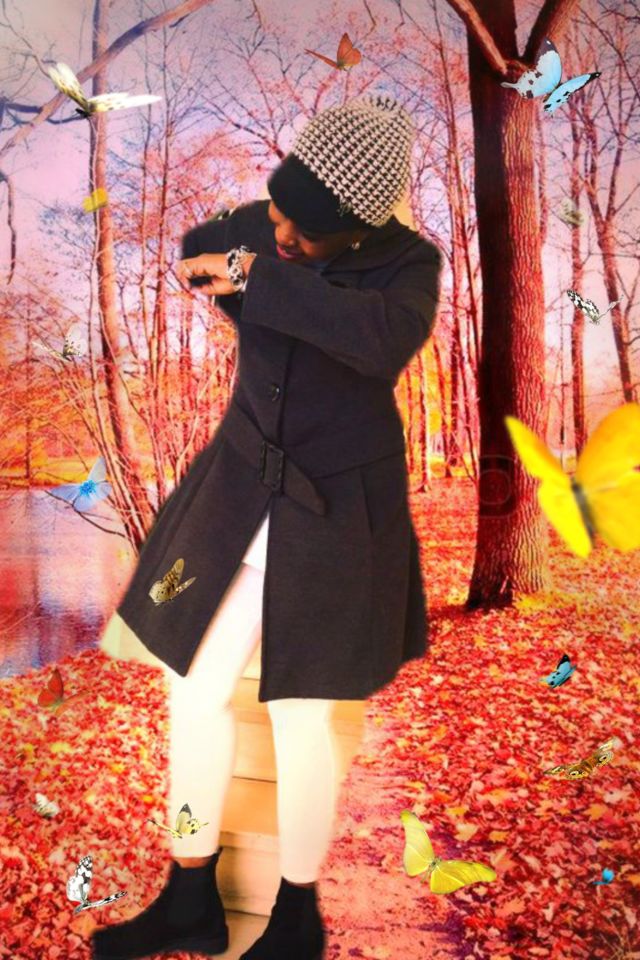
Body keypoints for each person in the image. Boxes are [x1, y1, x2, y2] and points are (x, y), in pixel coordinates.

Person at [93, 92, 442, 960]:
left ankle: (294, 917)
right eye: (277, 214)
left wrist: (259, 280)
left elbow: (377, 341)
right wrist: (241, 276)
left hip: (336, 515)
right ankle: (189, 894)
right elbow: (198, 247)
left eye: (299, 231)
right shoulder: (271, 225)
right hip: (240, 489)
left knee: (299, 718)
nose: (278, 233)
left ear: (357, 228)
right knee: (191, 690)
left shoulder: (412, 267)